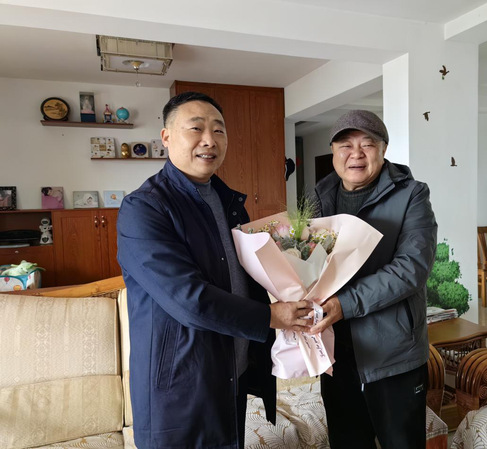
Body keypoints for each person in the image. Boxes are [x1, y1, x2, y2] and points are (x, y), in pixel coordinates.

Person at [117, 91, 312, 448]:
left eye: (219, 130)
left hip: (232, 374)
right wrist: (272, 316)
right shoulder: (144, 208)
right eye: (196, 128)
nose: (209, 140)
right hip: (181, 386)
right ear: (166, 137)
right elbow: (188, 299)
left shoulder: (228, 202)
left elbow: (246, 275)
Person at [308, 110, 438, 448]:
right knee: (347, 441)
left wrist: (344, 304)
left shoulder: (412, 195)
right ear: (333, 151)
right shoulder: (319, 197)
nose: (356, 154)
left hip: (392, 351)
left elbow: (411, 268)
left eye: (367, 144)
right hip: (336, 350)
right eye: (345, 145)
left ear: (383, 150)